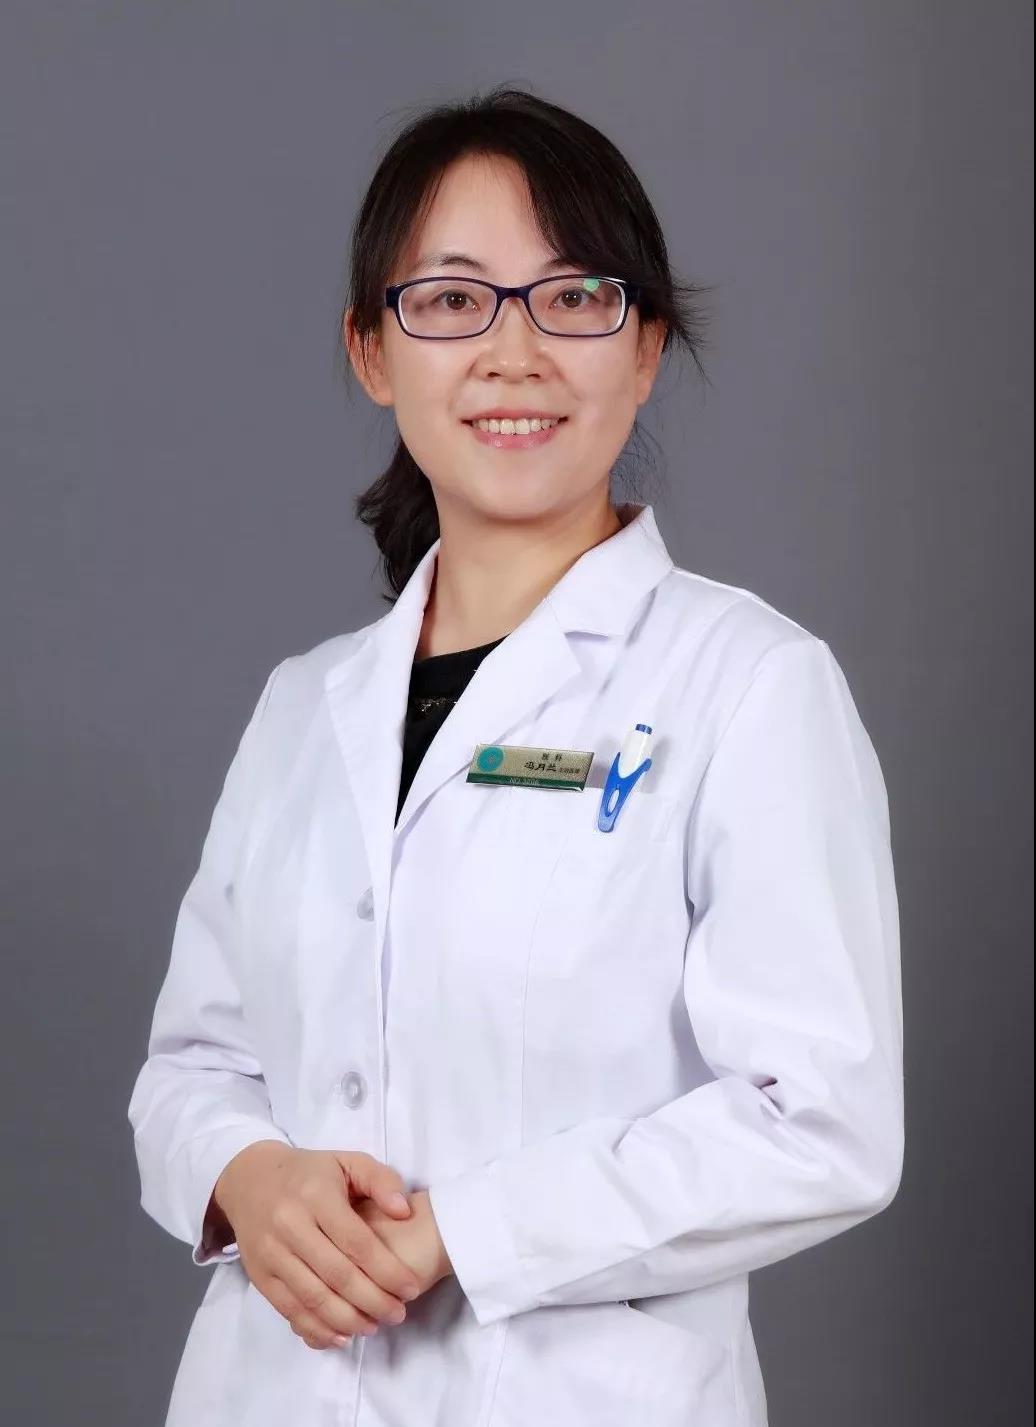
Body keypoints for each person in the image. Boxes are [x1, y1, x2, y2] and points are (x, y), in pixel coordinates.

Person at [128, 85, 904, 1427]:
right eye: (451, 300)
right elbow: (192, 1068)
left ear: (645, 348)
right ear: (372, 351)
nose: (514, 351)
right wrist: (247, 1178)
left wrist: (465, 1233)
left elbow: (818, 1120)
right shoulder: (304, 706)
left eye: (573, 298)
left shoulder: (749, 686)